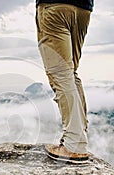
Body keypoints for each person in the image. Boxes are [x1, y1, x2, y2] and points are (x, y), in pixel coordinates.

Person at [35, 0, 94, 163]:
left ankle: (74, 145)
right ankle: (78, 136)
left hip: (54, 6)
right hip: (83, 9)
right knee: (70, 72)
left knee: (60, 73)